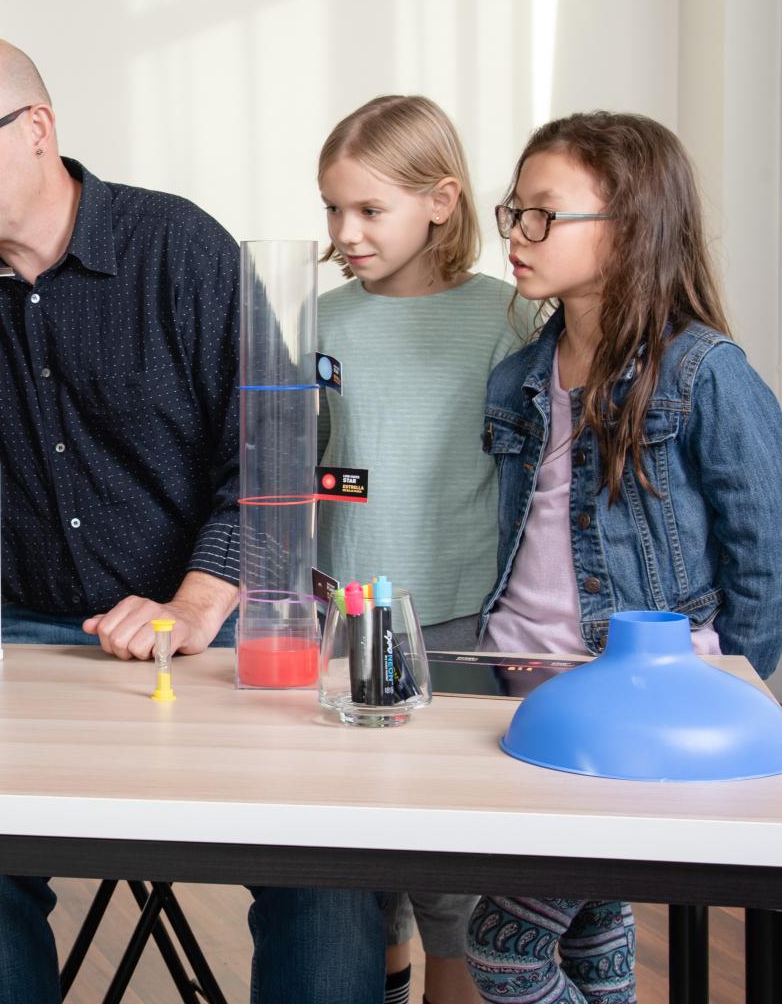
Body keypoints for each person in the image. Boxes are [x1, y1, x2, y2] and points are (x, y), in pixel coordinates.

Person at [0, 37, 387, 1004]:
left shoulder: (180, 248)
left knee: (321, 855)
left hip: (219, 634)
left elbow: (270, 457)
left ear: (39, 131)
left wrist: (193, 602)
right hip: (38, 638)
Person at [466, 112, 782, 1002]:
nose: (518, 238)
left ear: (632, 227)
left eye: (543, 215)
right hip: (529, 704)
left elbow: (770, 552)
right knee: (592, 930)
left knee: (504, 950)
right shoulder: (519, 375)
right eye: (513, 212)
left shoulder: (703, 371)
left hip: (640, 719)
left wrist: (722, 696)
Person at [315, 95, 530, 1004]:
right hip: (337, 622)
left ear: (441, 200)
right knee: (356, 870)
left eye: (370, 209)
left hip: (455, 622)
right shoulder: (317, 318)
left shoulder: (507, 317)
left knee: (449, 873)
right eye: (332, 209)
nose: (346, 231)